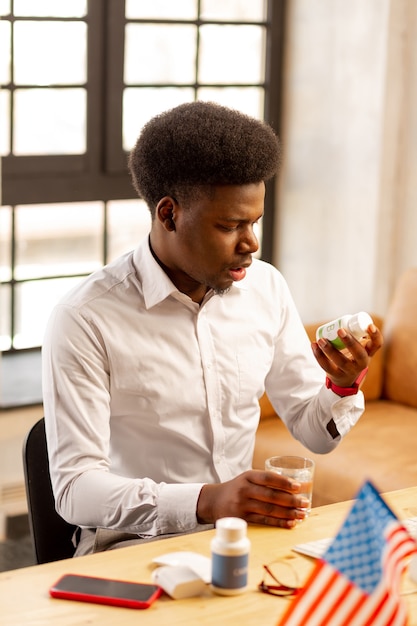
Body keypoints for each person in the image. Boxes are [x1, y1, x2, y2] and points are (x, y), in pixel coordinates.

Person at [42, 101, 383, 556]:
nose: (252, 243)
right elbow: (75, 491)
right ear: (169, 215)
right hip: (132, 547)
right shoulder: (86, 318)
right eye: (230, 225)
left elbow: (315, 433)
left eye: (255, 222)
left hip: (239, 540)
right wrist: (207, 501)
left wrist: (340, 386)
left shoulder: (266, 288)